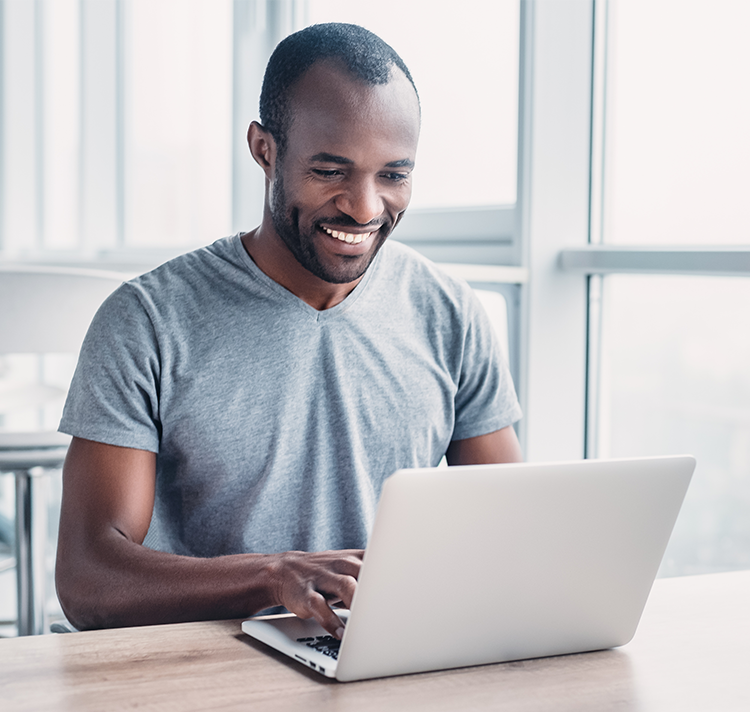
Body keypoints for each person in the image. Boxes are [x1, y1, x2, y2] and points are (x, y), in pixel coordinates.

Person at [55, 23, 522, 638]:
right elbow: (89, 581)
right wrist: (275, 577)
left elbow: (513, 537)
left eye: (393, 175)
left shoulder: (451, 315)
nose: (364, 207)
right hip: (201, 669)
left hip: (377, 659)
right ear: (264, 149)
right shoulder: (147, 321)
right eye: (331, 171)